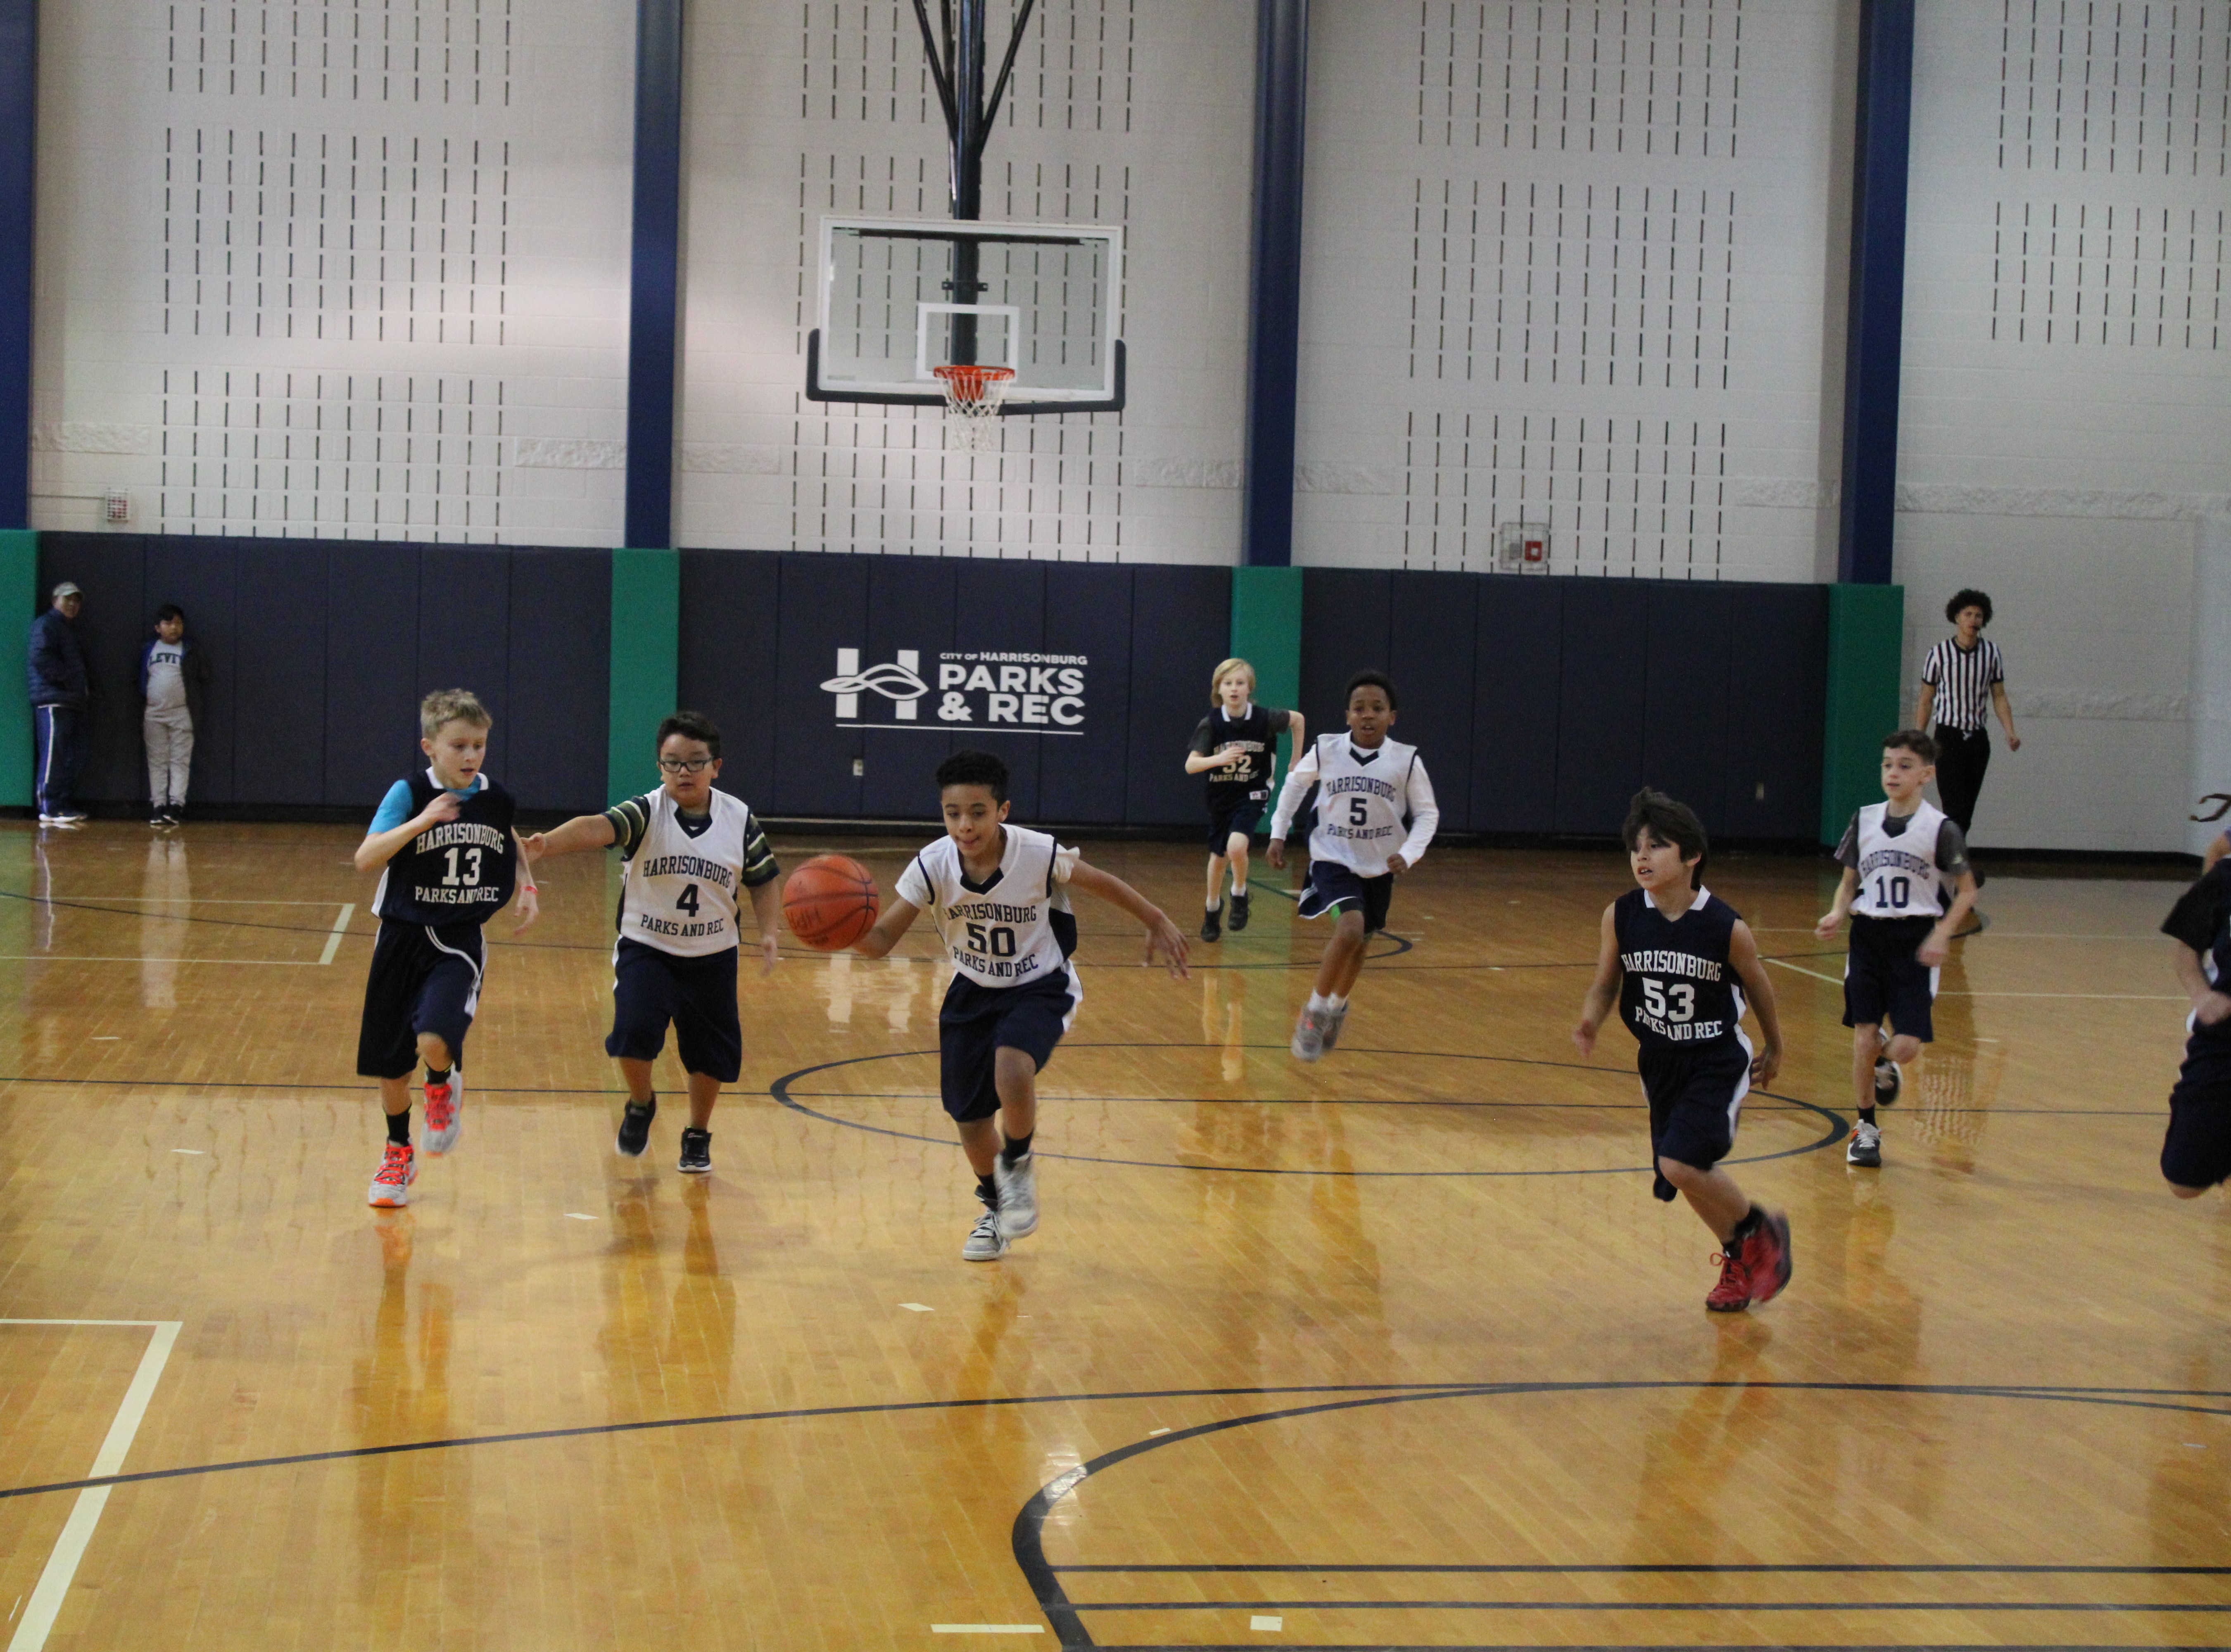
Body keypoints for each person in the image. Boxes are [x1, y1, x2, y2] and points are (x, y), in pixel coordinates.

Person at [847, 749, 1189, 1261]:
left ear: (1002, 810)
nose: (965, 825)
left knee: (1012, 1063)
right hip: (973, 988)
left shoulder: (1038, 853)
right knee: (968, 1118)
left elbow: (1101, 882)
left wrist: (1155, 917)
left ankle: (1020, 1163)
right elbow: (879, 942)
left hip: (1041, 983)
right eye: (953, 813)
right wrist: (839, 932)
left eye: (978, 812)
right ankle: (995, 1206)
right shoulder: (932, 864)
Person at [523, 711, 782, 1174]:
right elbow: (595, 827)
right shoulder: (646, 811)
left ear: (716, 766)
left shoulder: (739, 819)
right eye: (672, 763)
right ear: (660, 767)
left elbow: (763, 879)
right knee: (631, 1037)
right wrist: (546, 844)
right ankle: (641, 1103)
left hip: (713, 955)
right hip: (649, 948)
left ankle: (698, 1133)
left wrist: (768, 931)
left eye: (695, 762)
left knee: (710, 1057)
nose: (683, 771)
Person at [1573, 788, 1792, 1311]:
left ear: (1692, 856)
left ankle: (1763, 1232)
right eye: (1636, 848)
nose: (1641, 857)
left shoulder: (1724, 926)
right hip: (1659, 1060)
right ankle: (1739, 1259)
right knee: (1684, 1176)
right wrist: (1590, 1018)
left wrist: (1775, 1045)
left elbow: (1759, 985)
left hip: (1715, 1058)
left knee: (1679, 1162)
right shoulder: (1622, 915)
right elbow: (1607, 982)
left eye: (1657, 846)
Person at [353, 689, 539, 1208]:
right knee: (391, 1063)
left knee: (435, 1037)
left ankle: (442, 1080)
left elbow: (512, 837)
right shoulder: (409, 793)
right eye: (458, 745)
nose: (470, 755)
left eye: (479, 745)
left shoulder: (495, 796)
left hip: (457, 939)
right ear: (429, 747)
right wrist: (422, 822)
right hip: (400, 935)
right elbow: (366, 858)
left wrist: (528, 885)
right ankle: (397, 1152)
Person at [1814, 730, 1980, 1170]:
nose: (1893, 772)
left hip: (1915, 942)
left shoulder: (1941, 829)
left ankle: (1885, 1061)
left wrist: (1943, 933)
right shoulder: (1864, 819)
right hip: (1868, 937)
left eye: (1905, 765)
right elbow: (1850, 881)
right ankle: (1865, 1131)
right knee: (1863, 1036)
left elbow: (1967, 892)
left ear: (1926, 774)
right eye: (1888, 764)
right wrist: (1836, 912)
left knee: (1905, 1046)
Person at [1265, 670, 1438, 1061]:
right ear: (1347, 715)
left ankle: (1335, 1008)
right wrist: (1278, 833)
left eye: (1377, 709)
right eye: (1359, 708)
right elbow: (1295, 785)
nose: (1367, 715)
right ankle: (1311, 1014)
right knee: (1350, 928)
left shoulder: (1406, 760)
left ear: (1392, 717)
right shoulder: (1327, 749)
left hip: (1379, 864)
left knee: (1361, 945)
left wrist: (1408, 853)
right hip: (1332, 857)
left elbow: (1427, 815)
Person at [1184, 658, 1303, 942]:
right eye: (1228, 684)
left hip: (1252, 793)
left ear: (1250, 688)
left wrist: (1296, 760)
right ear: (1219, 690)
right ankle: (1212, 908)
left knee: (1236, 845)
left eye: (1240, 683)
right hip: (1221, 796)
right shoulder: (1211, 724)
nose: (1234, 689)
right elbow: (1191, 765)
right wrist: (1218, 759)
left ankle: (1239, 894)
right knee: (1218, 857)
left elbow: (1298, 720)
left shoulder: (1265, 719)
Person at [1916, 589, 2019, 846]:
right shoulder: (1938, 654)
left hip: (1977, 740)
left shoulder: (1991, 653)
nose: (1974, 620)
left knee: (1967, 813)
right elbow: (1926, 700)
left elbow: (1999, 696)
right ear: (1957, 618)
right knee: (1954, 807)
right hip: (1948, 737)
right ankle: (1953, 864)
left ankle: (1949, 861)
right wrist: (1919, 737)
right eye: (1969, 614)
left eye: (1979, 615)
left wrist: (2010, 731)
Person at [2157, 852, 2231, 1197]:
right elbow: (2186, 950)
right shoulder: (2224, 879)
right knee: (2182, 1181)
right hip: (2223, 1038)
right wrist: (2202, 996)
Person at [139, 603, 209, 827]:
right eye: (169, 623)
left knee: (180, 761)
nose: (174, 628)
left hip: (181, 714)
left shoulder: (189, 650)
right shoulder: (149, 650)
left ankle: (176, 806)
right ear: (158, 628)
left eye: (178, 623)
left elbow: (202, 677)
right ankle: (158, 806)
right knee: (157, 761)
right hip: (154, 714)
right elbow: (141, 679)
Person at [28, 581, 90, 826]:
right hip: (53, 699)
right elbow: (41, 659)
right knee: (54, 754)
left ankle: (61, 805)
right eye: (68, 599)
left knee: (69, 755)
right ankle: (49, 806)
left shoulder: (68, 630)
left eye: (77, 600)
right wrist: (69, 681)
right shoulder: (47, 625)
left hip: (69, 701)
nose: (73, 604)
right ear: (55, 600)